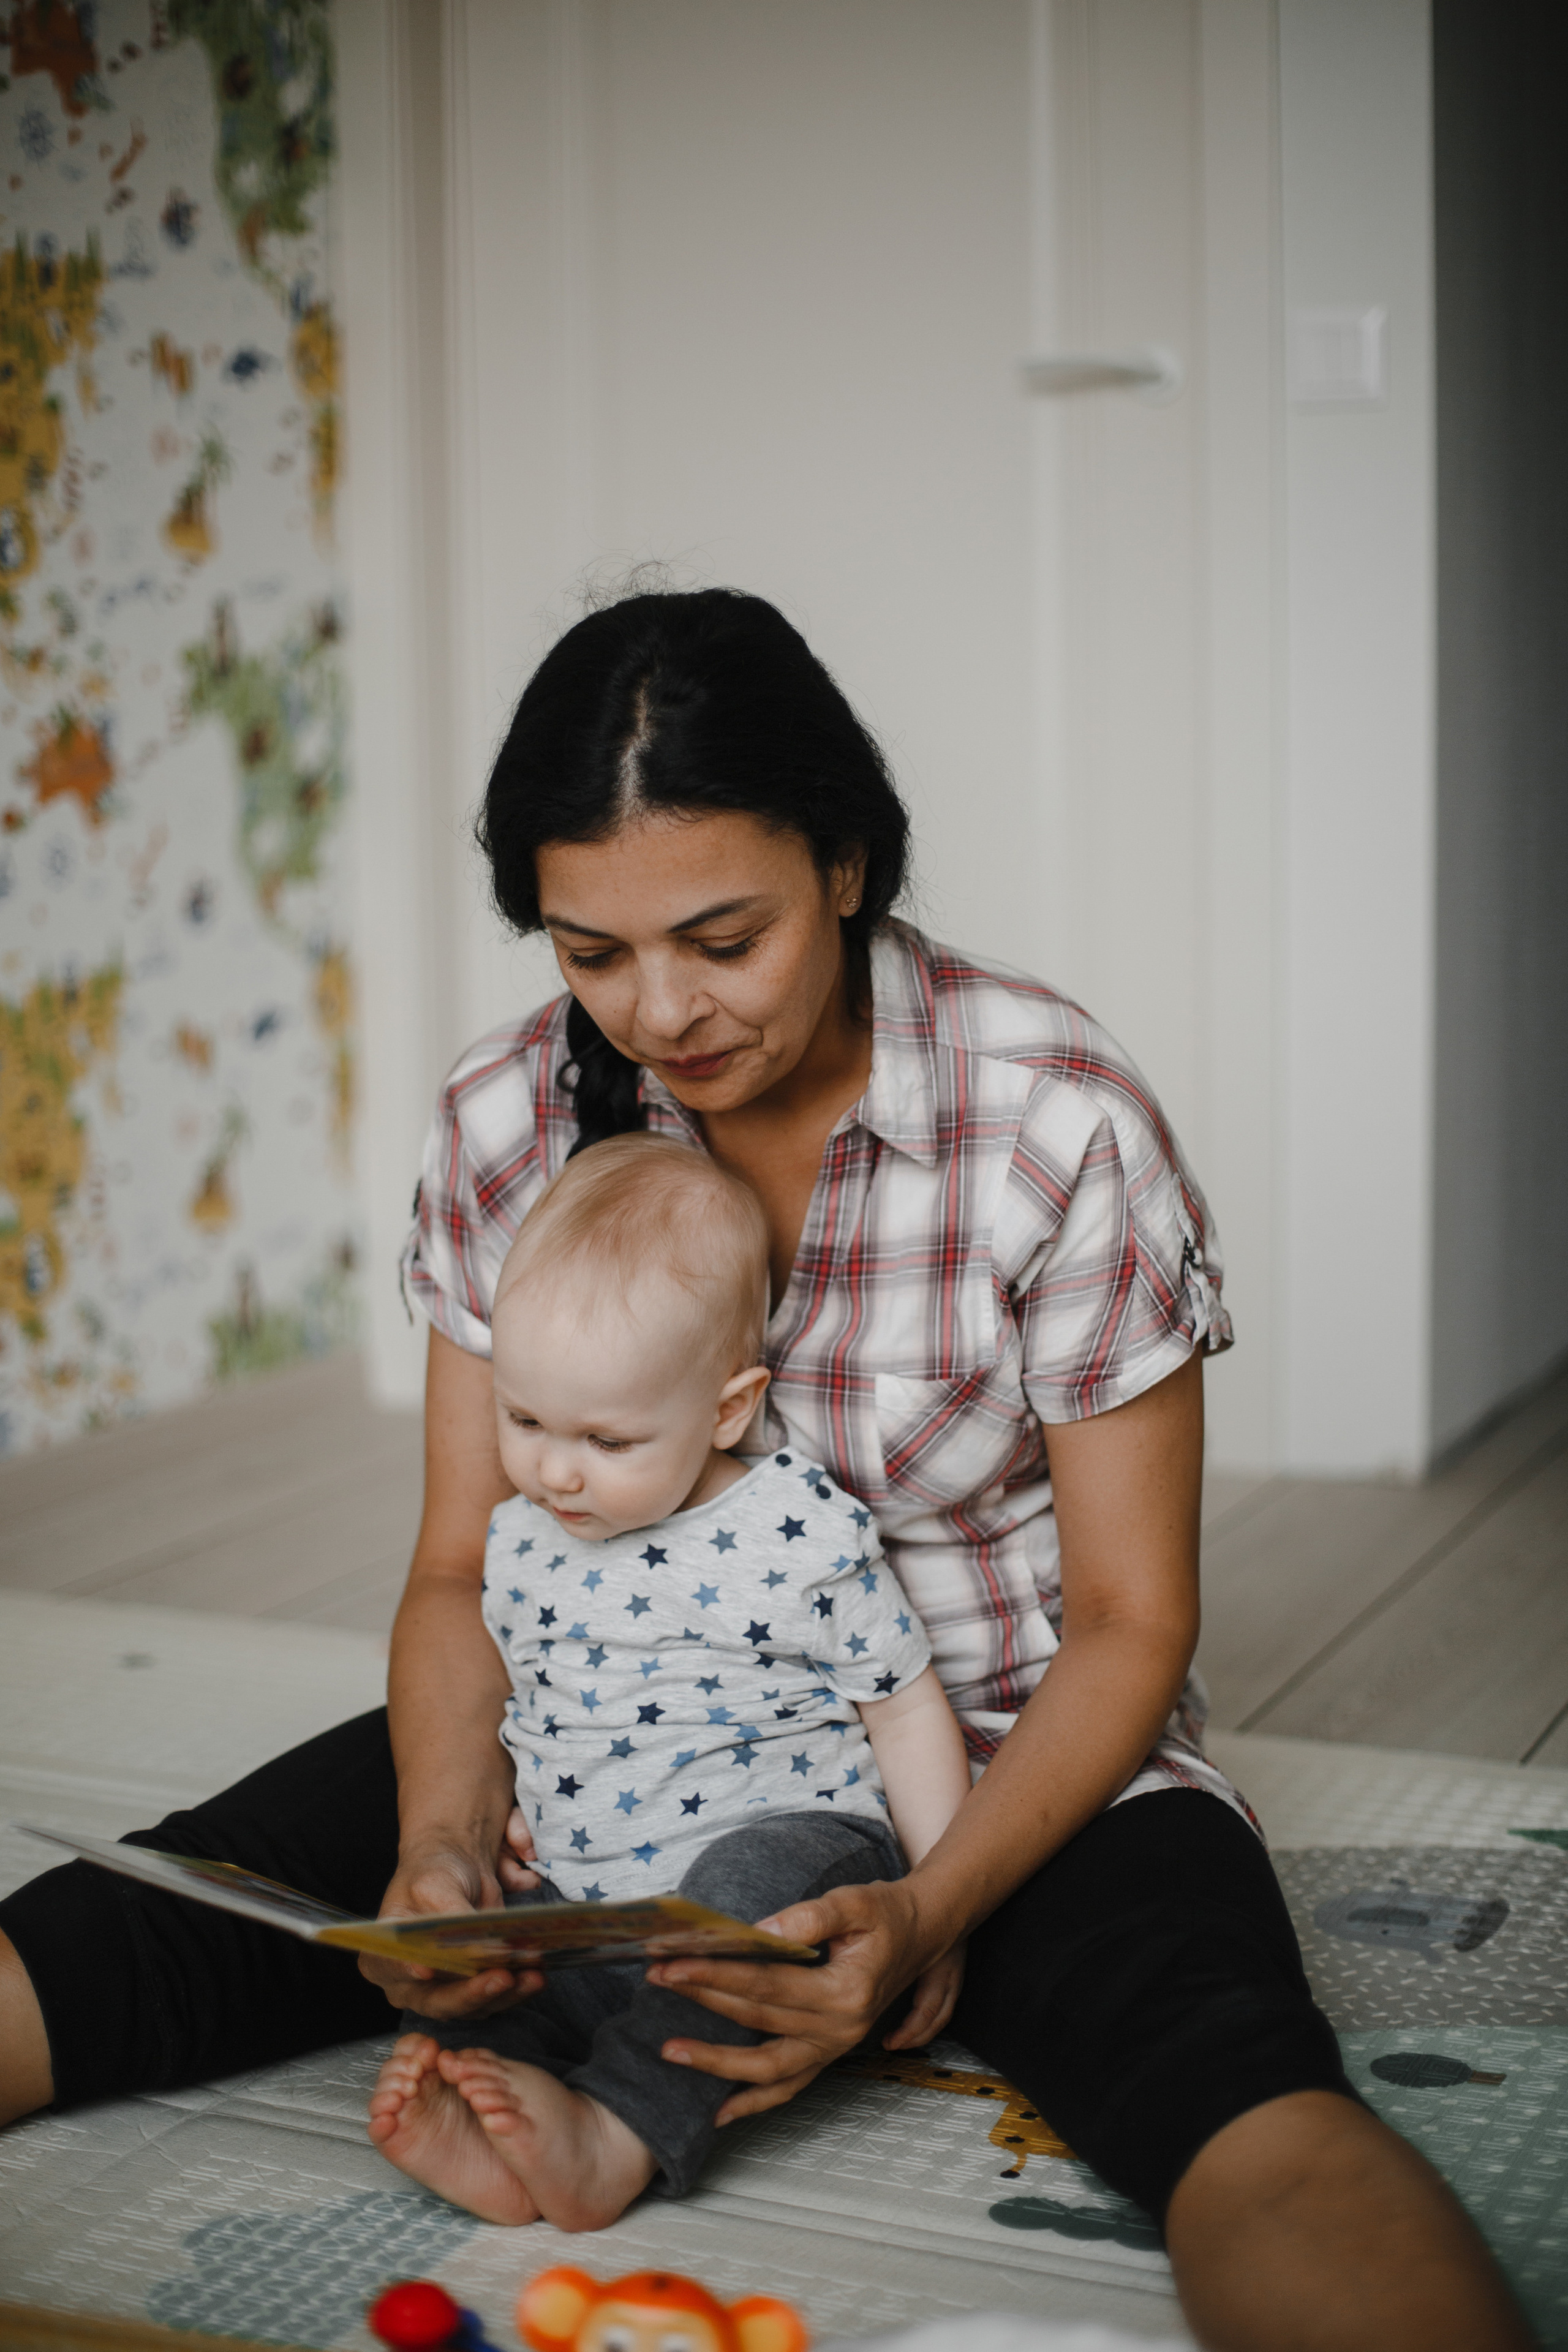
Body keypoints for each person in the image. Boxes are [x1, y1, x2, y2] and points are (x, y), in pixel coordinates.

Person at [0, 590, 1531, 2352]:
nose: (662, 1012)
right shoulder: (512, 1122)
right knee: (163, 1924)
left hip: (1009, 1756)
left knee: (1236, 2086)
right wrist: (440, 1847)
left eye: (725, 937)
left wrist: (927, 1909)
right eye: (592, 954)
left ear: (849, 866)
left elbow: (1130, 1621)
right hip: (605, 1723)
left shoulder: (1053, 1120)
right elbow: (455, 1566)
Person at [368, 1132, 968, 2228]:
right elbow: (525, 1701)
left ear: (727, 1408)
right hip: (594, 1885)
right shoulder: (524, 1537)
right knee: (496, 1951)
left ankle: (620, 2135)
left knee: (738, 1911)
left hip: (789, 1838)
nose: (555, 1467)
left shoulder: (790, 1529)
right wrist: (504, 1813)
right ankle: (493, 2112)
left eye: (606, 1437)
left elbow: (906, 1705)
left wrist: (940, 1908)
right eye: (525, 1419)